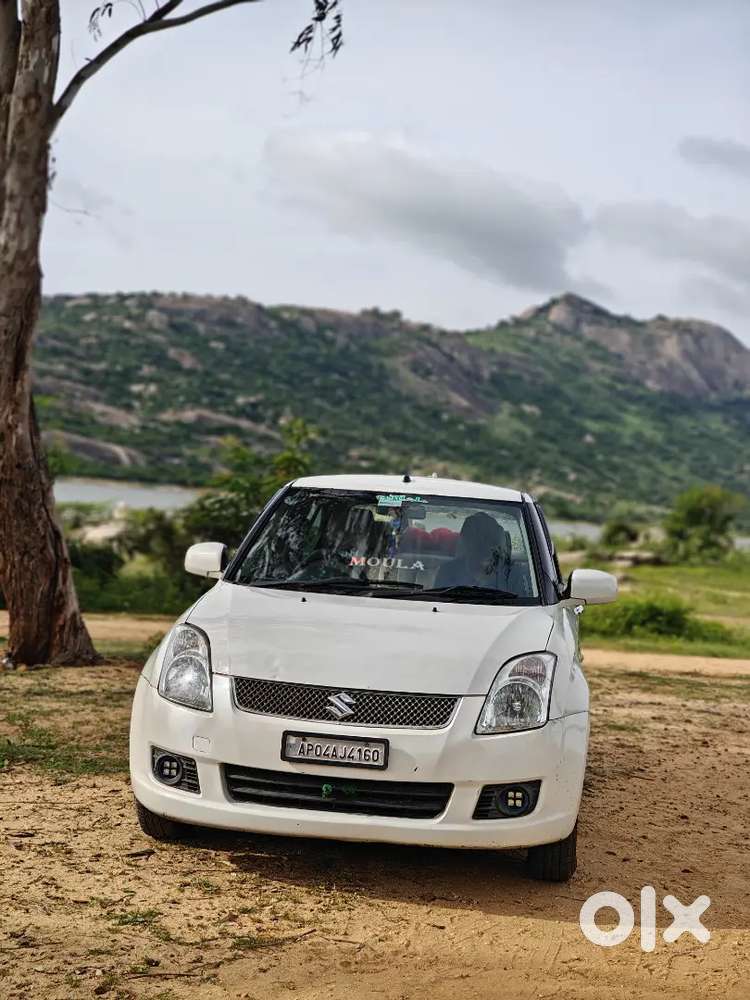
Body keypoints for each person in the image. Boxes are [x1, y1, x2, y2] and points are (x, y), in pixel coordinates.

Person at [434, 512, 512, 590]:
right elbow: (436, 599)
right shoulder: (448, 571)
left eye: (489, 541)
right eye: (478, 543)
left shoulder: (511, 574)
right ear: (466, 544)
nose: (484, 547)